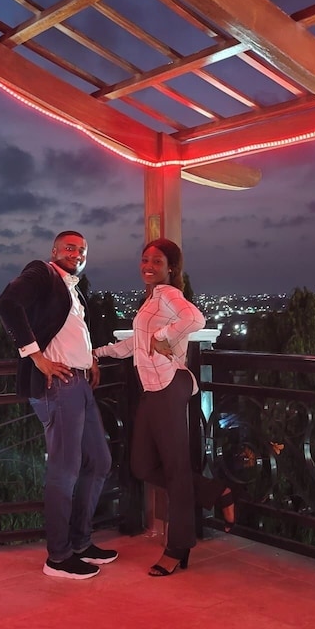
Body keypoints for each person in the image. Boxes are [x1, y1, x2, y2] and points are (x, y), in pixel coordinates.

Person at [95, 238, 235, 577]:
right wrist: (97, 354)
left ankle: (177, 547)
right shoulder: (151, 299)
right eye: (145, 260)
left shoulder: (168, 294)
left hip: (169, 385)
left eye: (157, 261)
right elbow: (135, 343)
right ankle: (216, 491)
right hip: (153, 389)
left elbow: (195, 318)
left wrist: (164, 337)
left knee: (175, 470)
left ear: (171, 267)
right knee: (142, 466)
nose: (148, 266)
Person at [0, 230, 116, 580]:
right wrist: (37, 358)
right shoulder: (42, 272)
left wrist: (90, 359)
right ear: (54, 250)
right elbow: (7, 305)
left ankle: (80, 543)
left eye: (82, 250)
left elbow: (68, 331)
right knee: (65, 470)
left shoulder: (71, 288)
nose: (76, 254)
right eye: (70, 247)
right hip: (58, 385)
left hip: (80, 382)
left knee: (99, 461)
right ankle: (59, 557)